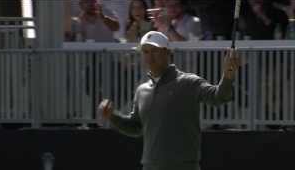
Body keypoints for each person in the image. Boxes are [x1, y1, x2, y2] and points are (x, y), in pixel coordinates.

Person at [98, 31, 241, 170]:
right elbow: (136, 128)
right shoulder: (142, 91)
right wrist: (112, 117)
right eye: (145, 52)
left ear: (167, 53)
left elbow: (219, 97)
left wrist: (227, 75)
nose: (149, 56)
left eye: (154, 51)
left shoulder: (187, 82)